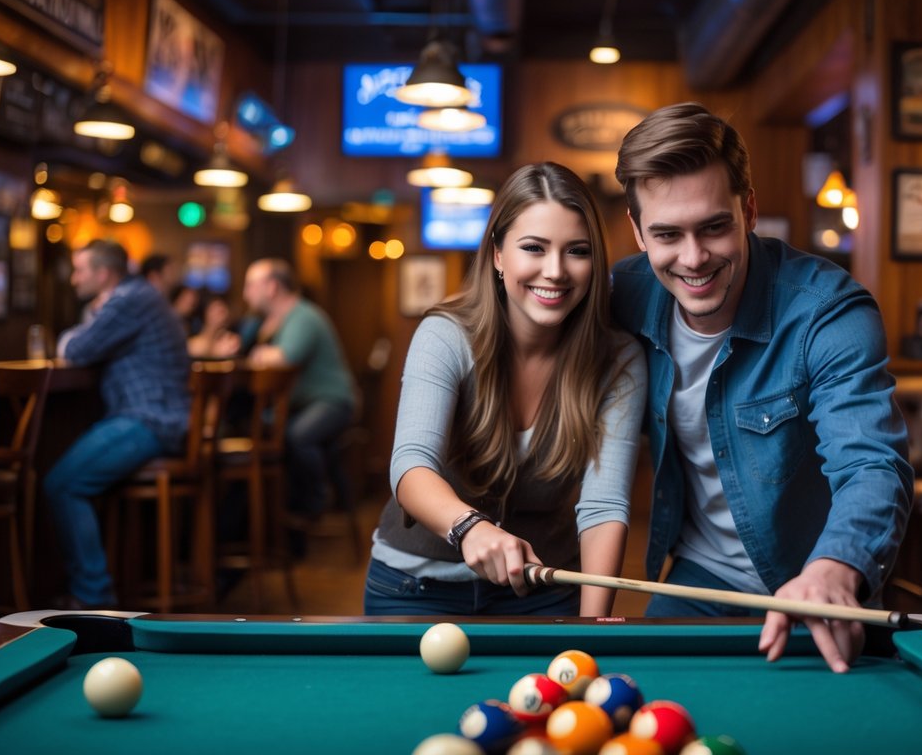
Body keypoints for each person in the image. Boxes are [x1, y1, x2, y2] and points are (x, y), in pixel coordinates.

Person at [610, 103, 913, 672]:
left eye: (714, 227)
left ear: (748, 210)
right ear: (637, 232)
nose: (693, 258)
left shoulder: (828, 313)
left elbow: (872, 464)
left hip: (814, 582)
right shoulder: (621, 296)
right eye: (667, 235)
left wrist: (834, 567)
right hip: (699, 582)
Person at [365, 162, 647, 618]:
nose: (555, 271)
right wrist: (470, 528)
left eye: (577, 250)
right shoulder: (445, 334)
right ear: (497, 254)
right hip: (413, 587)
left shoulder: (618, 360)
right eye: (533, 247)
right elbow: (411, 466)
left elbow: (604, 507)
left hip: (543, 591)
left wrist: (593, 628)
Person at [45, 239, 191, 608]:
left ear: (104, 273)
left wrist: (70, 335)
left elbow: (76, 348)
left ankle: (93, 599)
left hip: (151, 420)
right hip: (157, 419)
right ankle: (95, 591)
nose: (74, 279)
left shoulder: (129, 300)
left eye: (80, 270)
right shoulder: (137, 297)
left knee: (63, 484)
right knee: (67, 481)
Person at [242, 259, 359, 535]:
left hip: (333, 401)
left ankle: (313, 506)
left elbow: (284, 358)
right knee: (266, 430)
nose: (246, 292)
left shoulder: (303, 315)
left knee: (298, 436)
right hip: (303, 404)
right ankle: (279, 521)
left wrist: (261, 353)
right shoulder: (269, 321)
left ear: (271, 287)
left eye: (251, 285)